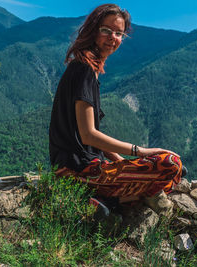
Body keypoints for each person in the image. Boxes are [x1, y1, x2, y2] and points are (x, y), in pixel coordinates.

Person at [49, 4, 185, 209]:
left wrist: (120, 162)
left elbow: (91, 140)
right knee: (171, 163)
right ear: (93, 30)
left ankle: (109, 200)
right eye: (106, 30)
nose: (113, 37)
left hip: (80, 166)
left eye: (119, 33)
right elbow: (88, 136)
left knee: (175, 170)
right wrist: (142, 152)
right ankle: (111, 201)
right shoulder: (84, 70)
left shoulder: (86, 69)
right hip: (77, 169)